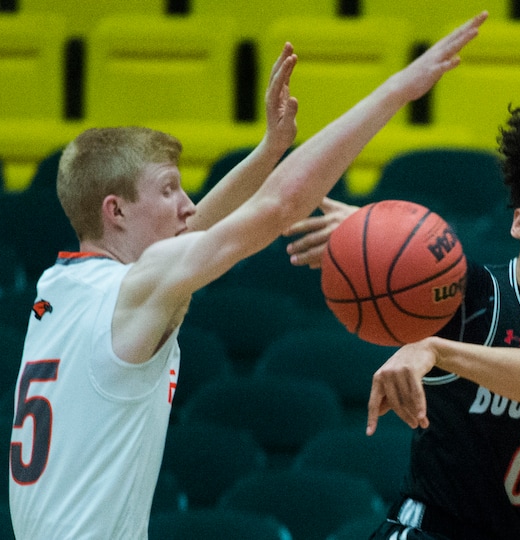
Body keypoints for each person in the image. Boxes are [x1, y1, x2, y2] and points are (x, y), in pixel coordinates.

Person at [8, 12, 489, 539]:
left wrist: (268, 150)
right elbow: (283, 205)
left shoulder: (60, 288)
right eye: (170, 190)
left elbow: (199, 230)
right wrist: (398, 89)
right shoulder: (135, 288)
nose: (187, 205)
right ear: (115, 211)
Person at [284, 90, 520, 538]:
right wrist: (371, 240)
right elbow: (409, 263)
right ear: (519, 221)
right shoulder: (465, 293)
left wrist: (436, 349)